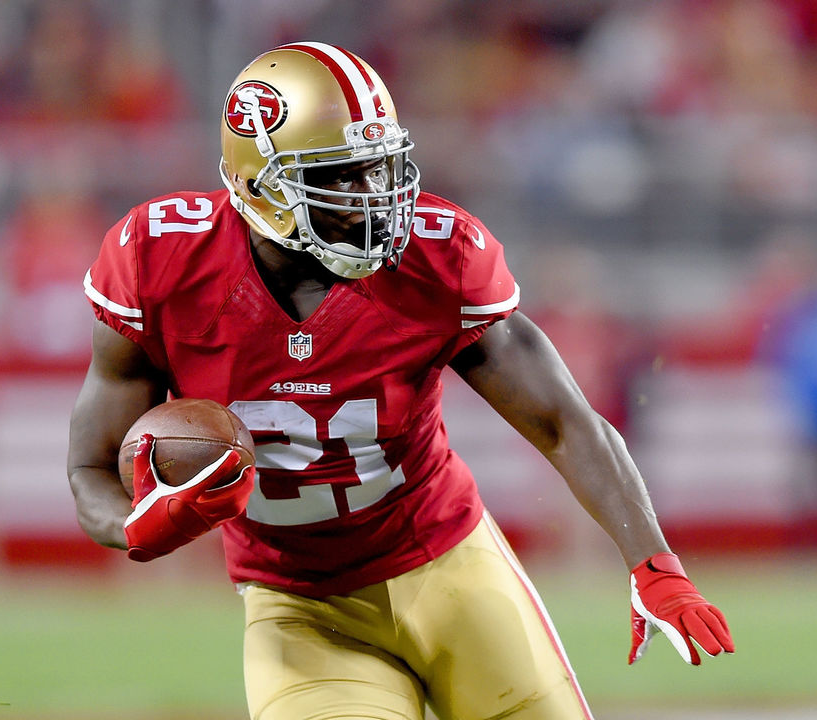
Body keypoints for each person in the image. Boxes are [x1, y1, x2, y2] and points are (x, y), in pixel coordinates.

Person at [68, 42, 733, 720]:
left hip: (449, 566)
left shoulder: (436, 257)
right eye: (341, 176)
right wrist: (135, 526)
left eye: (379, 167)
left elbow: (566, 422)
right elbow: (90, 467)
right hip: (299, 608)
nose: (372, 199)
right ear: (260, 182)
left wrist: (653, 564)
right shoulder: (160, 262)